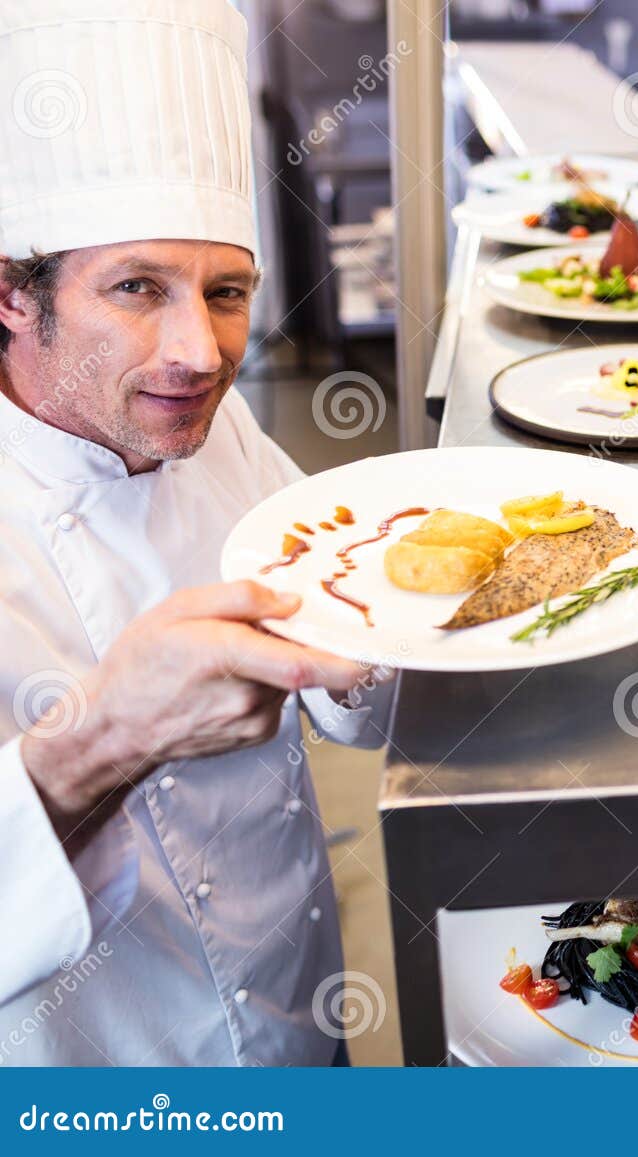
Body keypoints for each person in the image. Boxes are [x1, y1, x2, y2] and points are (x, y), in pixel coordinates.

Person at [0, 0, 388, 1064]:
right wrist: (100, 744)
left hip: (305, 1018)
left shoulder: (222, 436)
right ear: (11, 296)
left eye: (226, 293)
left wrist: (416, 612)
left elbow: (355, 685)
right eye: (136, 288)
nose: (200, 351)